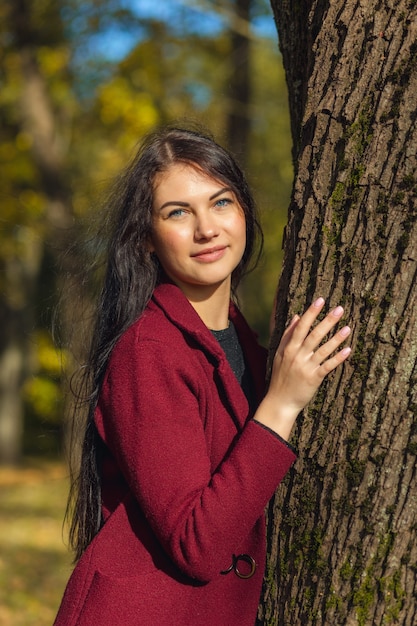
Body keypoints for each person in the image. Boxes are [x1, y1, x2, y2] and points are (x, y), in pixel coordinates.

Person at [54, 125, 351, 625]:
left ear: (244, 212)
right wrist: (281, 405)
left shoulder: (248, 345)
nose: (206, 229)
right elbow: (198, 544)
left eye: (220, 203)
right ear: (146, 239)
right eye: (177, 212)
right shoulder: (147, 352)